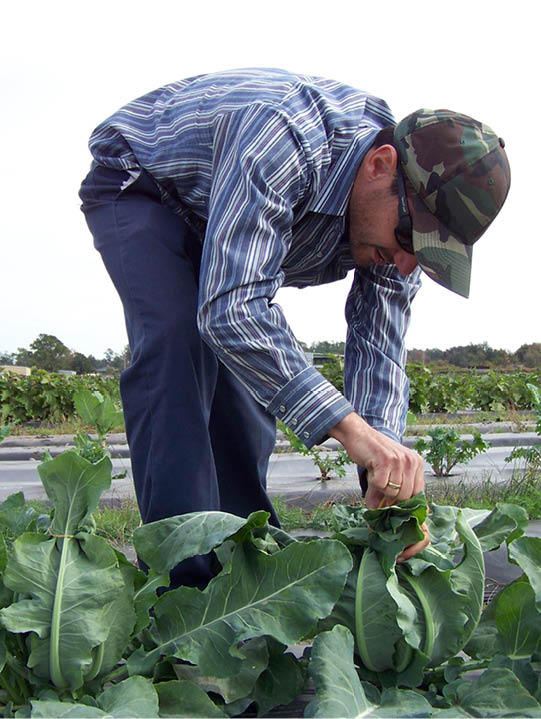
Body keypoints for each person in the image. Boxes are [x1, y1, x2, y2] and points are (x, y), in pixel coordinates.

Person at [79, 68, 511, 589]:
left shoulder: (398, 240)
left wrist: (388, 477)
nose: (404, 261)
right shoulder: (282, 140)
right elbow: (232, 309)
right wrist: (352, 432)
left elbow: (378, 349)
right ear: (380, 164)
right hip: (144, 182)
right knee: (180, 343)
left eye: (425, 255)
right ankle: (181, 593)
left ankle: (244, 576)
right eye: (407, 236)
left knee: (247, 395)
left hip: (221, 207)